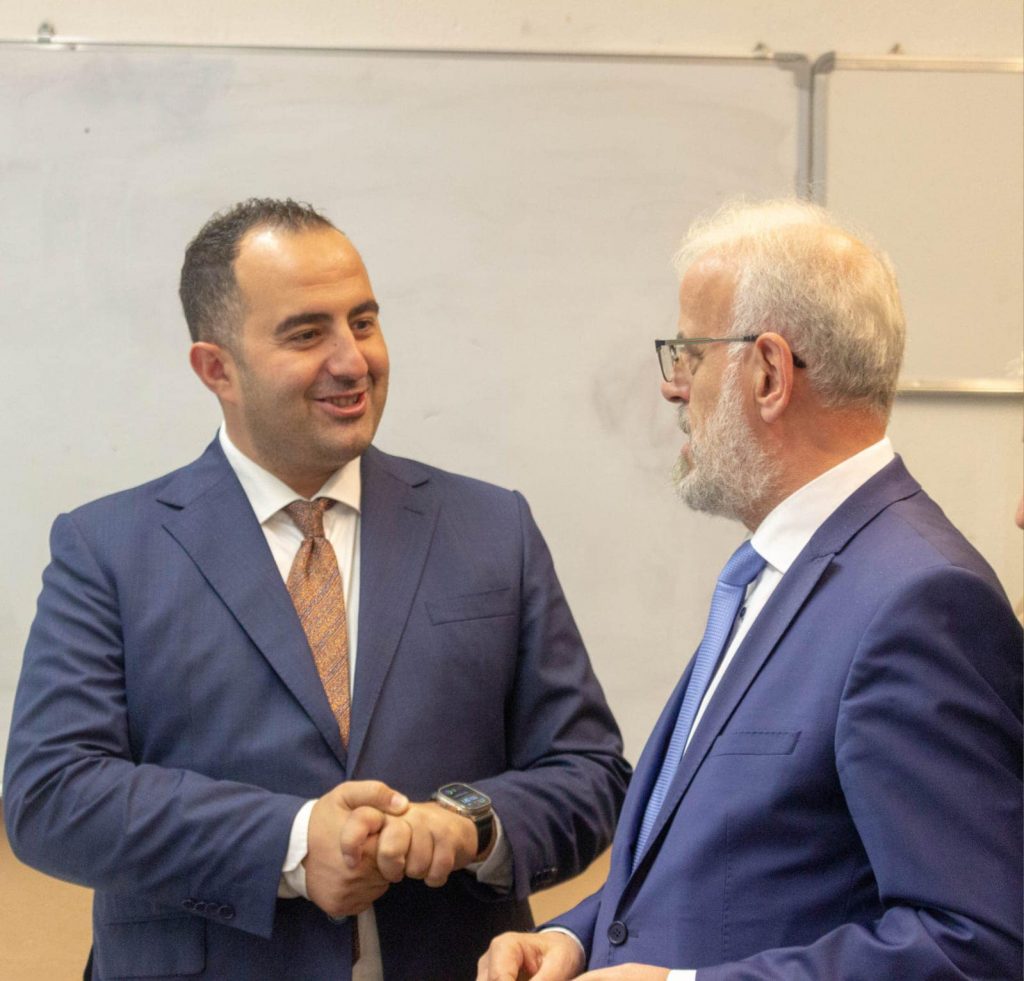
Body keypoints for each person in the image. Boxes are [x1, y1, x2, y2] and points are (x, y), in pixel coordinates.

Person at [3, 198, 630, 981]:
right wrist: (292, 842)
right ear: (216, 368)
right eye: (307, 334)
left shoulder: (492, 527)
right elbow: (52, 793)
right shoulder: (107, 549)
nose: (353, 360)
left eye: (363, 322)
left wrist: (468, 824)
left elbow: (589, 773)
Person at [478, 199, 1023, 980]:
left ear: (768, 372)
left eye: (688, 356)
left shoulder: (920, 599)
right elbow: (728, 858)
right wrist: (575, 936)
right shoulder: (774, 569)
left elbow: (972, 943)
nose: (673, 389)